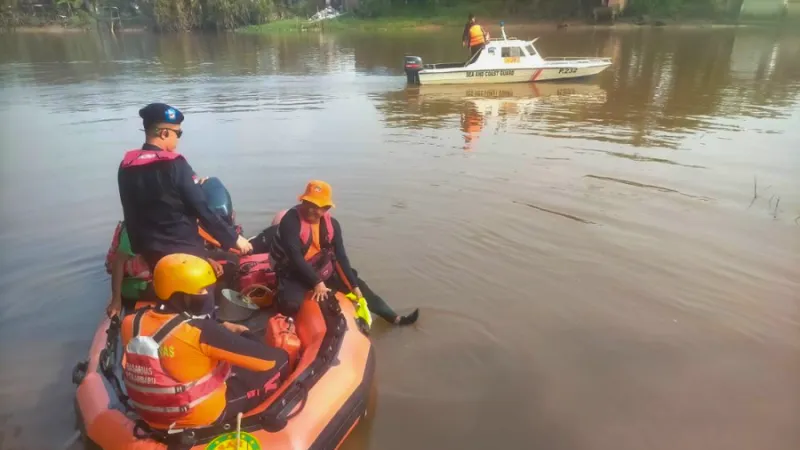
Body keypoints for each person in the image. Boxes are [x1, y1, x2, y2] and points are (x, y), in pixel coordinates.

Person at [121, 254, 289, 430]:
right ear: (181, 295)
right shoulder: (200, 331)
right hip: (200, 416)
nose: (206, 295)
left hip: (151, 415)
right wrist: (244, 333)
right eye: (201, 290)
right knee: (281, 359)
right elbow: (267, 362)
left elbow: (169, 353)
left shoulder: (130, 323)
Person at [117, 103, 253, 273]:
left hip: (151, 256)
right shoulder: (175, 164)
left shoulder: (126, 165)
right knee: (233, 262)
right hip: (184, 255)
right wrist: (234, 239)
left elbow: (131, 211)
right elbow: (202, 209)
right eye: (178, 133)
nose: (178, 139)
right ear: (164, 133)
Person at [270, 181, 419, 326]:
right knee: (291, 304)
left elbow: (340, 256)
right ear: (303, 201)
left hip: (319, 267)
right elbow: (294, 256)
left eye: (317, 207)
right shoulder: (290, 222)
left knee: (361, 288)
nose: (310, 210)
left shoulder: (333, 225)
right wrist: (317, 282)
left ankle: (394, 318)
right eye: (308, 204)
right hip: (294, 271)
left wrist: (353, 285)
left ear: (326, 208)